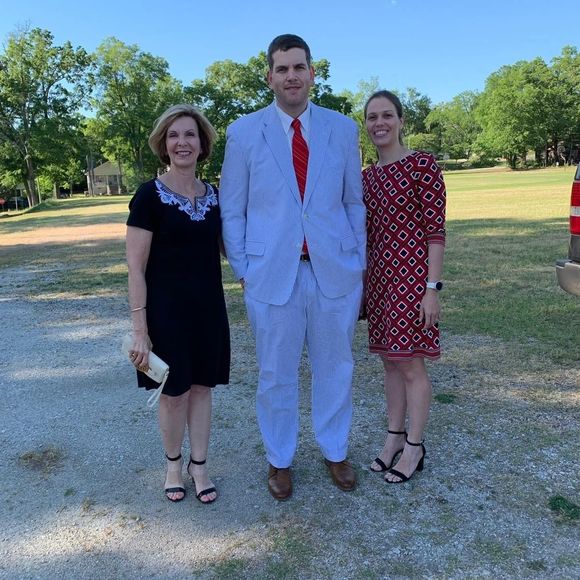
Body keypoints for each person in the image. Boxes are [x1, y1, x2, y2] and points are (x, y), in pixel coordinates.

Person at [220, 34, 366, 500]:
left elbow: (353, 201)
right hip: (269, 274)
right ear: (269, 77)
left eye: (299, 67)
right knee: (275, 375)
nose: (291, 76)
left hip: (333, 271)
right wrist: (244, 268)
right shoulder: (244, 132)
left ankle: (335, 449)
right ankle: (279, 458)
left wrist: (357, 261)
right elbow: (233, 208)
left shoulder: (342, 129)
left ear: (312, 73)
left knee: (336, 368)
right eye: (282, 69)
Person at [126, 104, 230, 503]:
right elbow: (135, 269)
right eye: (174, 135)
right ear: (163, 144)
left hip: (208, 311)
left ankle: (199, 466)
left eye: (190, 135)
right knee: (174, 394)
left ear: (202, 144)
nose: (182, 142)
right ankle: (173, 465)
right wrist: (140, 330)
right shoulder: (148, 196)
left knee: (202, 389)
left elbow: (231, 249)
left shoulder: (215, 197)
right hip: (165, 315)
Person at [362, 90, 446, 483]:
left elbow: (436, 232)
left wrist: (432, 288)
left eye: (387, 115)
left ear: (400, 120)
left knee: (410, 364)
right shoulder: (366, 177)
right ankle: (393, 436)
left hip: (412, 280)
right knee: (389, 361)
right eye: (372, 117)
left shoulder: (421, 165)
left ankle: (415, 446)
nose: (379, 123)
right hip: (379, 281)